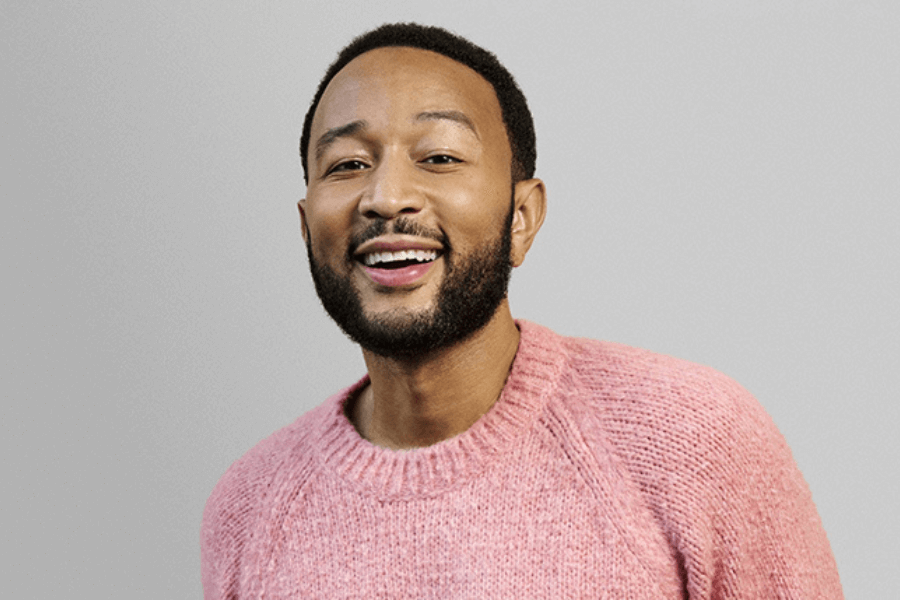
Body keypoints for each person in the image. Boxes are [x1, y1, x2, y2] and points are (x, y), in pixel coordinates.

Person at [201, 23, 843, 598]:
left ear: (522, 218)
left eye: (440, 157)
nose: (386, 196)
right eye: (347, 164)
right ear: (307, 225)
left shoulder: (695, 438)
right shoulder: (249, 508)